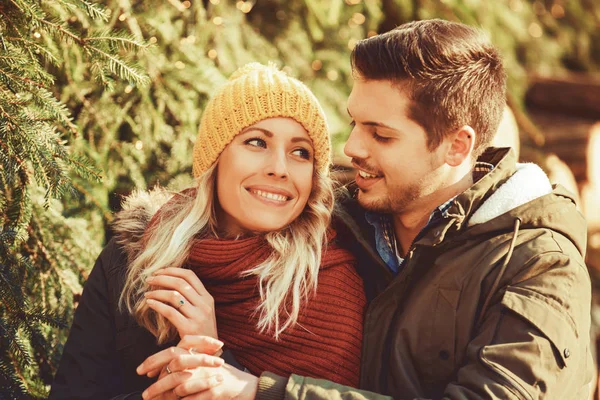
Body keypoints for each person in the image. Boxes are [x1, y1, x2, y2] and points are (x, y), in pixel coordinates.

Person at [162, 19, 595, 400]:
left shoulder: (539, 267)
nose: (351, 148)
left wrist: (264, 392)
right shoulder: (343, 224)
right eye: (354, 122)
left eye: (381, 135)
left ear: (456, 146)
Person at [49, 63, 382, 399]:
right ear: (216, 159)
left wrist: (214, 356)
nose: (280, 169)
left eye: (300, 152)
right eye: (256, 142)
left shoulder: (334, 284)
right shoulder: (135, 258)